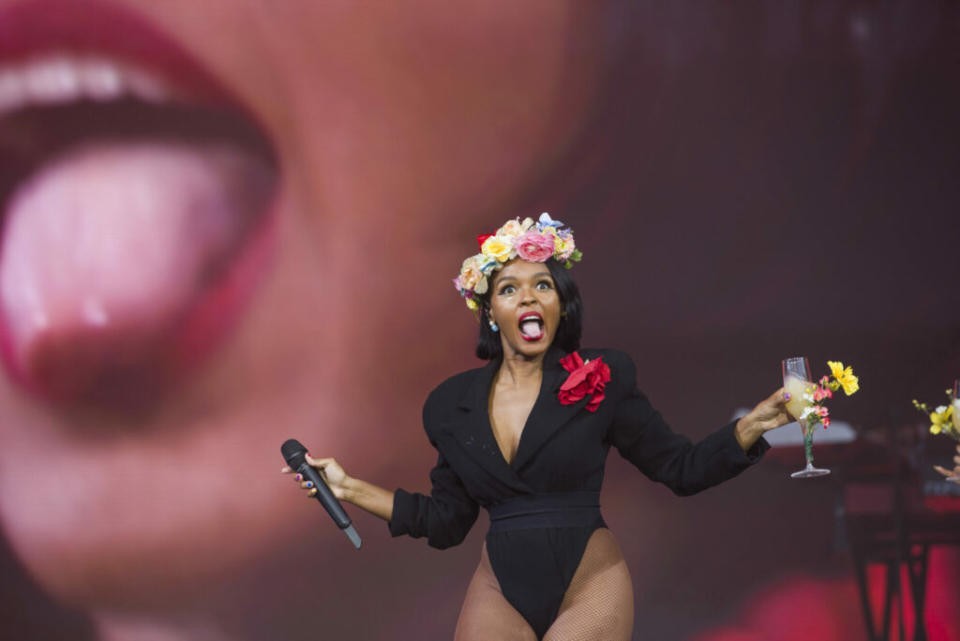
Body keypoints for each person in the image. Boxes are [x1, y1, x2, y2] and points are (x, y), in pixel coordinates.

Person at [284, 214, 794, 640]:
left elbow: (680, 469)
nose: (528, 298)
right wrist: (349, 488)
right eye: (510, 288)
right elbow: (445, 521)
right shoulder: (450, 405)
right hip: (500, 586)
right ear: (491, 312)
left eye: (542, 285)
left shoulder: (604, 377)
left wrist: (753, 425)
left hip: (588, 576)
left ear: (559, 304)